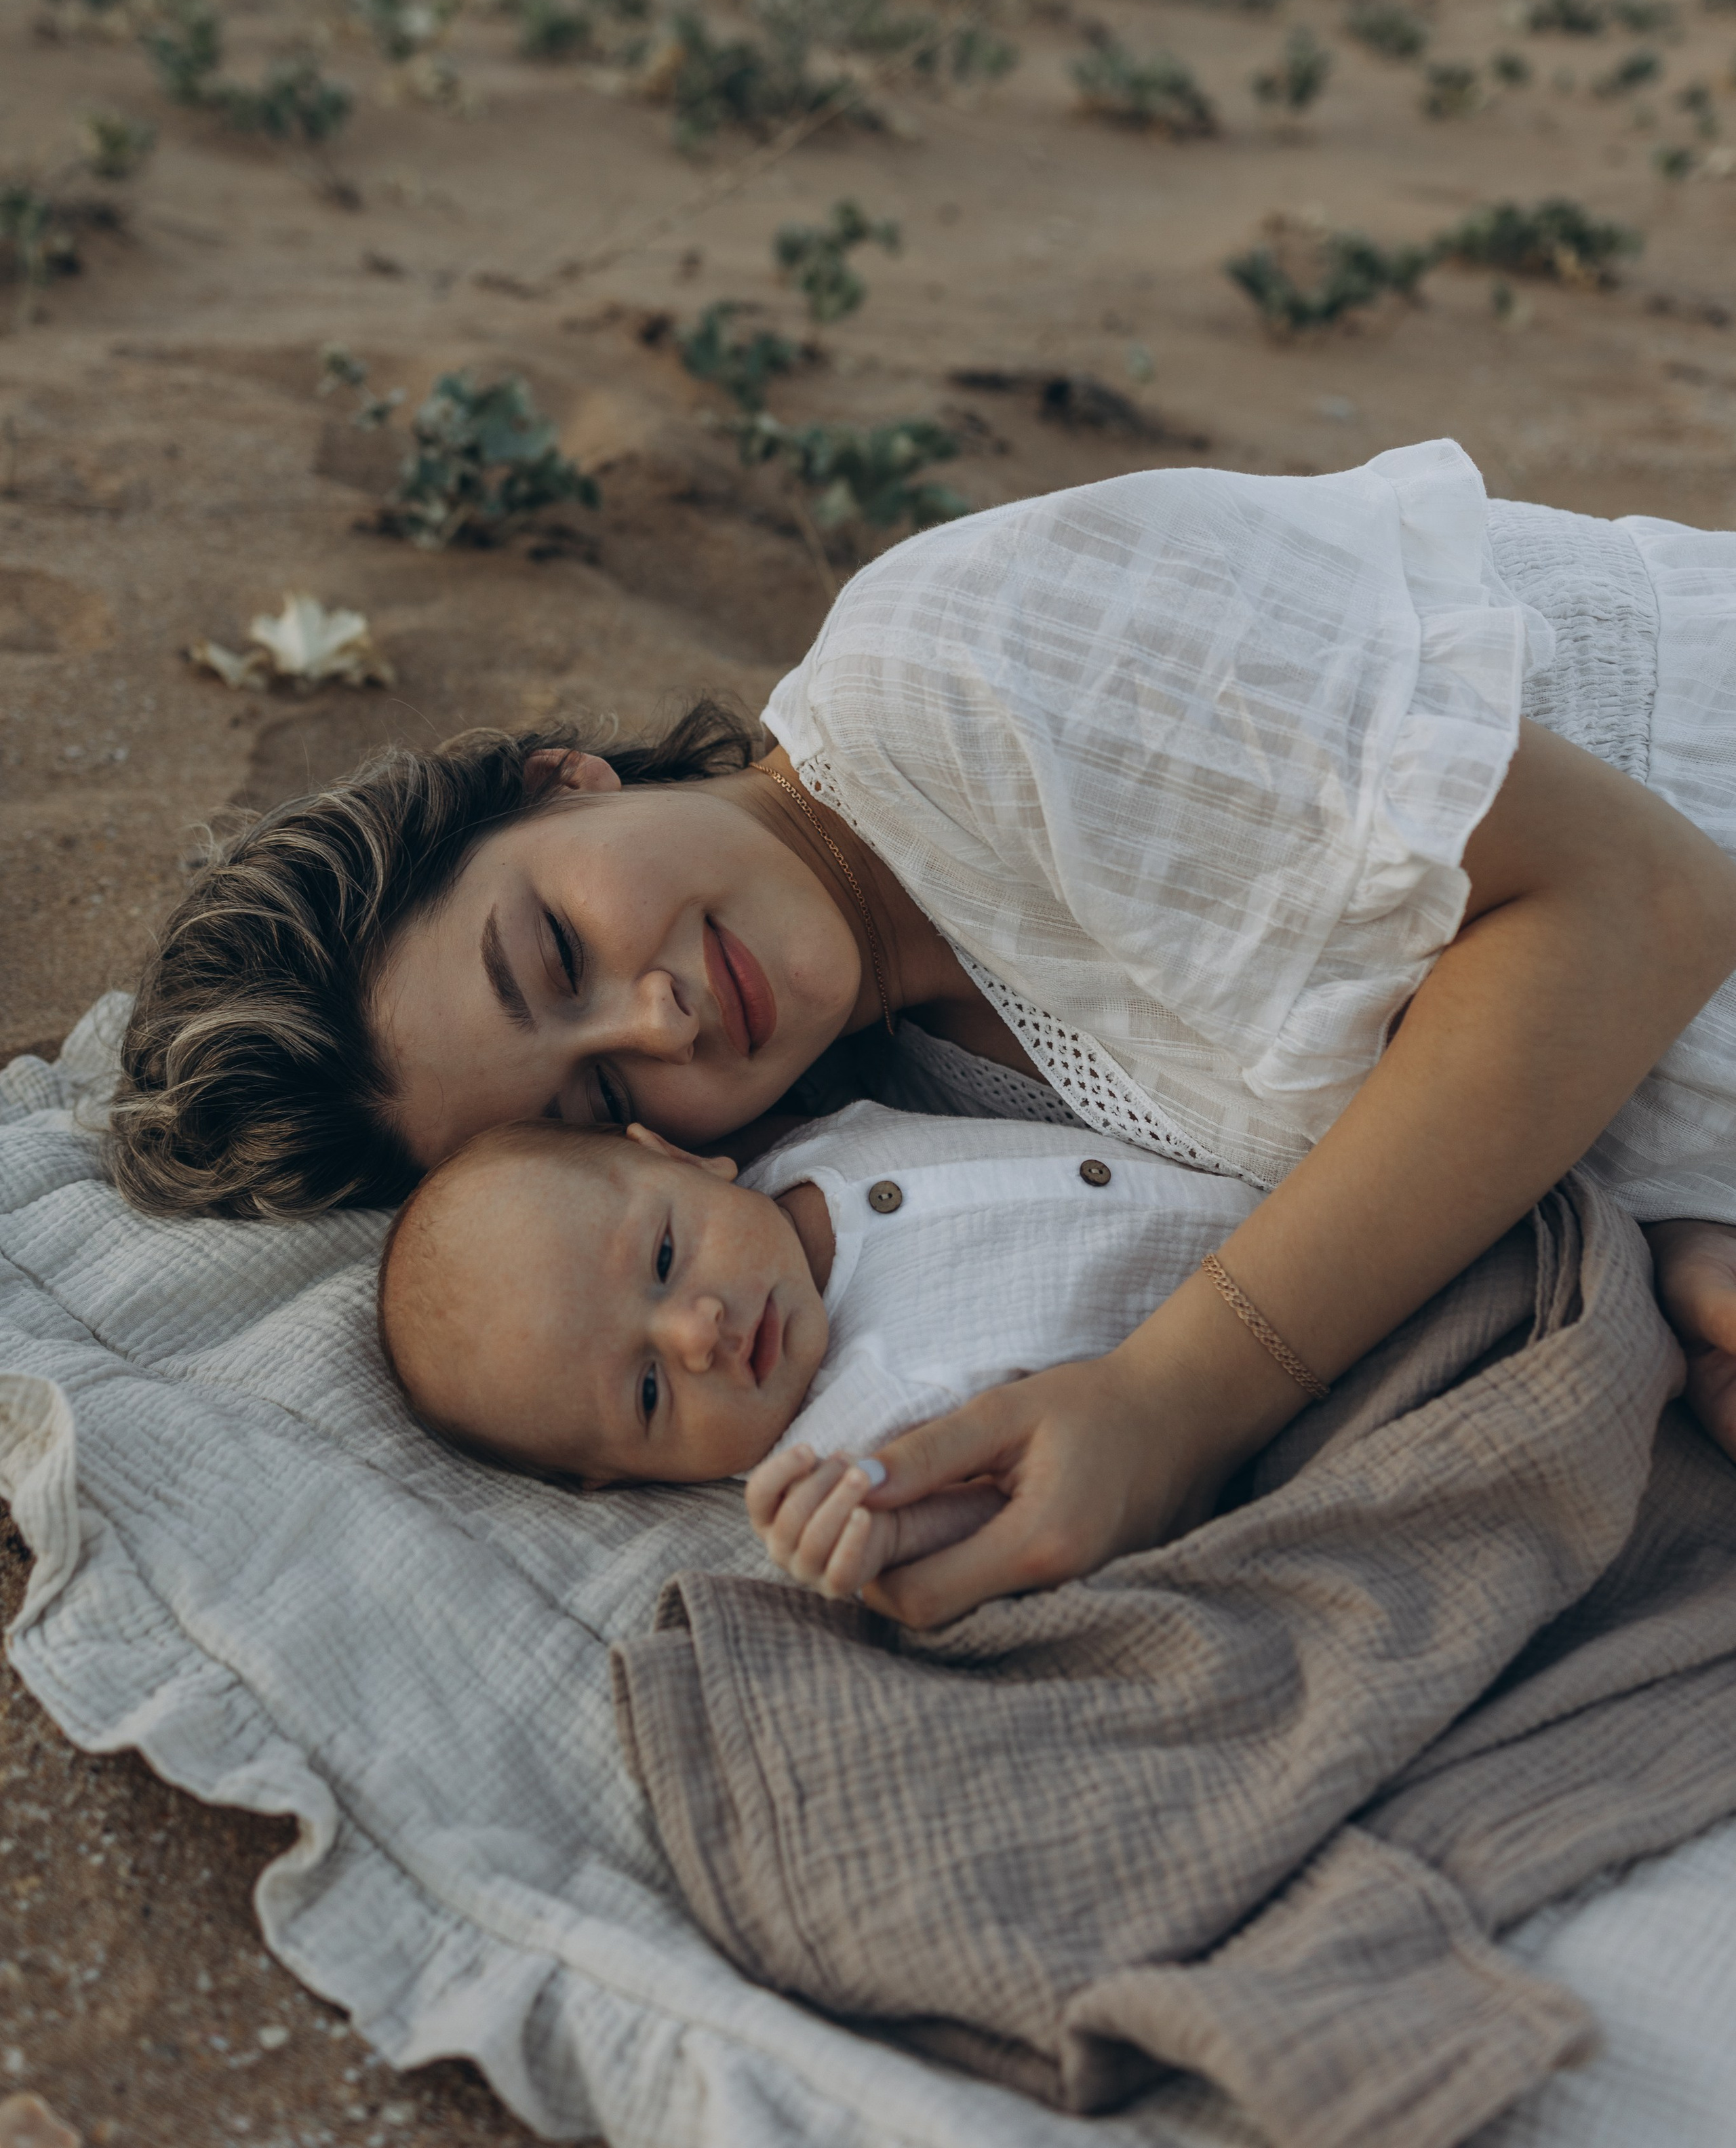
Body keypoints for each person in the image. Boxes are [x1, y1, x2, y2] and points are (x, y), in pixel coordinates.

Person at [111, 440, 1736, 1624]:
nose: (659, 1014)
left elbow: (1638, 903)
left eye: (552, 947)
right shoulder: (890, 1114)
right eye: (602, 1086)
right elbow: (1401, 1120)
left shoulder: (956, 669)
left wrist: (1175, 1404)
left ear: (557, 776)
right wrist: (1660, 1259)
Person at [374, 1102, 1261, 1602]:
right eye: (647, 1394)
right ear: (616, 1477)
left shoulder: (818, 1139)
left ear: (679, 1153)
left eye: (664, 1259)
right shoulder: (845, 1455)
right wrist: (898, 1532)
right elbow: (1035, 1501)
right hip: (1281, 1376)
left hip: (1299, 1180)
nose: (695, 1334)